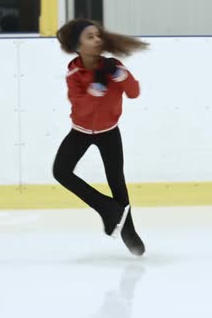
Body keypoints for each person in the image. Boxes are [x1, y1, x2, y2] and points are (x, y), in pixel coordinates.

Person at [53, 19, 148, 256]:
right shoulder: (74, 72)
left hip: (109, 132)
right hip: (80, 132)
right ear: (78, 46)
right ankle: (106, 208)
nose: (97, 40)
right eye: (90, 37)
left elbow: (134, 93)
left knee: (117, 181)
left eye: (98, 35)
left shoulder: (113, 66)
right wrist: (94, 91)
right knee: (61, 171)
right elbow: (79, 106)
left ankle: (130, 234)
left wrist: (120, 75)